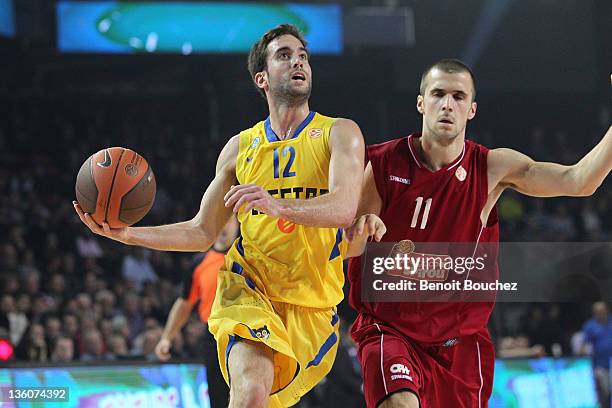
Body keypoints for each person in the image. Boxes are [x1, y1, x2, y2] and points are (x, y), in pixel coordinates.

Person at [74, 24, 365, 407]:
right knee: (250, 388)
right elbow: (200, 231)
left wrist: (278, 205)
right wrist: (129, 235)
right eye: (284, 55)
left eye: (303, 55)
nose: (298, 61)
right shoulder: (239, 148)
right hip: (249, 287)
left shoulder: (339, 134)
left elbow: (344, 208)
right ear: (261, 78)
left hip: (312, 306)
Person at [345, 60, 611, 407]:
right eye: (438, 94)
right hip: (390, 330)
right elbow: (348, 251)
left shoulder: (491, 169)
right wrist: (359, 233)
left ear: (471, 109)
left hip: (459, 345)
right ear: (421, 102)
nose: (447, 104)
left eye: (458, 96)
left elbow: (579, 181)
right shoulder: (382, 163)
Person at [154, 217, 239, 408]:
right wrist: (167, 337)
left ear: (238, 222)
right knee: (219, 399)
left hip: (246, 333)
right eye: (220, 220)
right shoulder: (200, 263)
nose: (224, 226)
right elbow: (184, 303)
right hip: (213, 337)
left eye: (228, 221)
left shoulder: (249, 254)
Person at [581, 302, 612, 407]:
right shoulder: (590, 326)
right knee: (606, 391)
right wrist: (584, 353)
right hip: (600, 365)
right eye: (598, 312)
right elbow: (584, 345)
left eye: (602, 311)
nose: (600, 314)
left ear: (607, 311)